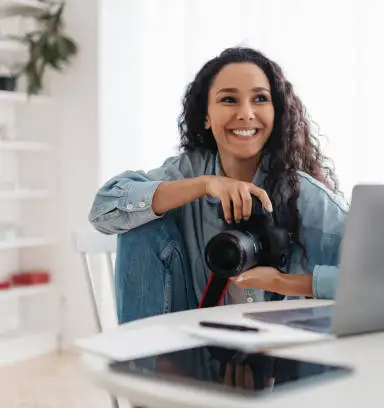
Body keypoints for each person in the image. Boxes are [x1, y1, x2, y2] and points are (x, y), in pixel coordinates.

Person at [89, 47, 348, 324]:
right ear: (206, 117)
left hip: (280, 348)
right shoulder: (188, 172)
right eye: (229, 100)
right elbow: (103, 211)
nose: (246, 113)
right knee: (140, 220)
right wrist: (205, 185)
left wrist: (284, 282)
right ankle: (147, 357)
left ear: (277, 113)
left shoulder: (303, 195)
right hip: (190, 341)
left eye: (260, 98)